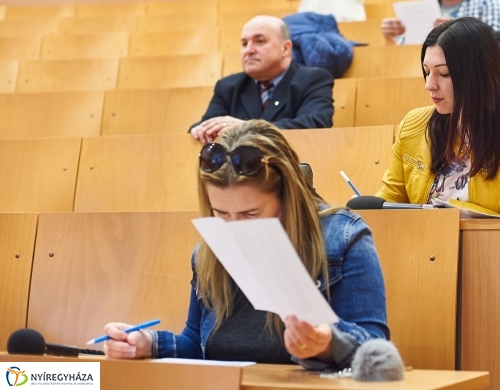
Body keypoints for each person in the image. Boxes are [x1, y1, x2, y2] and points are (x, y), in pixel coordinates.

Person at [103, 120, 389, 369]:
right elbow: (196, 345)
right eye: (221, 214)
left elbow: (377, 353)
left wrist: (327, 342)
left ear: (288, 196)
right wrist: (146, 344)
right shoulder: (208, 253)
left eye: (250, 214)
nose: (234, 228)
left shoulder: (343, 236)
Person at [376, 17, 500, 217]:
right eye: (427, 72)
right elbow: (389, 202)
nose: (429, 84)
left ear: (476, 75)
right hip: (421, 245)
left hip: (489, 248)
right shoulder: (413, 125)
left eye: (443, 73)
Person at [190, 16, 334, 143]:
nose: (249, 50)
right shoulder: (228, 86)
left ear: (285, 48)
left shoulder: (313, 79)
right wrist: (200, 131)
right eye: (244, 44)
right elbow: (206, 125)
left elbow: (315, 125)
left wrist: (249, 129)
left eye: (259, 41)